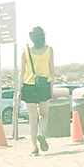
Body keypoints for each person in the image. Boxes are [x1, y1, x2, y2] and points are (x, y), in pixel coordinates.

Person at [21, 26, 54, 156]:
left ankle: (34, 147)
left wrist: (19, 89)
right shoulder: (49, 50)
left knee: (32, 118)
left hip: (29, 85)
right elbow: (52, 70)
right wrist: (51, 87)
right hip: (43, 84)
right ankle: (42, 133)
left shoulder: (25, 50)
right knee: (44, 114)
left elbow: (22, 70)